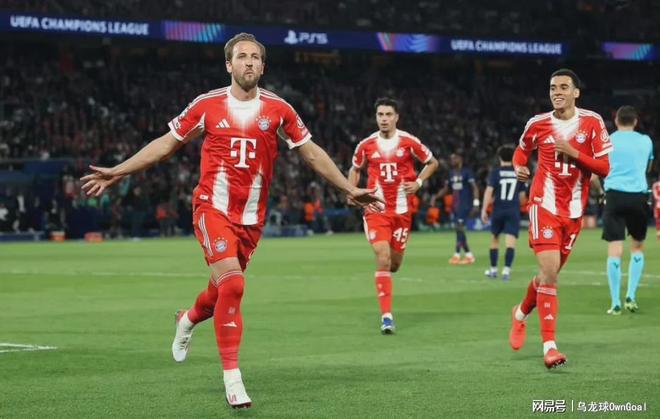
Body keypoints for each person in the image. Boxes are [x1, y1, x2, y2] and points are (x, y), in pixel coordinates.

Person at [81, 32, 382, 409]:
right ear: (229, 64)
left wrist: (347, 188)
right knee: (235, 284)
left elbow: (311, 153)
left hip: (250, 220)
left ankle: (187, 319)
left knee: (219, 291)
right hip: (212, 209)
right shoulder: (207, 104)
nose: (249, 62)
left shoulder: (279, 109)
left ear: (263, 66)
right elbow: (165, 144)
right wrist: (119, 171)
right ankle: (233, 378)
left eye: (255, 57)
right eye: (242, 56)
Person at [507, 69, 612, 369]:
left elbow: (604, 168)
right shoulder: (537, 123)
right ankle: (550, 347)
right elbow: (521, 152)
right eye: (553, 87)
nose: (557, 92)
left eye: (564, 87)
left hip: (574, 212)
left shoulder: (592, 122)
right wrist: (518, 167)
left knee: (547, 275)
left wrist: (573, 152)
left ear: (576, 92)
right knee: (550, 272)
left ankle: (520, 313)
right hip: (543, 205)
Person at [348, 97, 438, 334]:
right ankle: (386, 317)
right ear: (376, 117)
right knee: (383, 256)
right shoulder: (366, 145)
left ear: (396, 117)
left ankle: (386, 284)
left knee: (394, 265)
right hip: (376, 210)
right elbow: (355, 168)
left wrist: (418, 182)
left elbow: (432, 162)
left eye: (388, 114)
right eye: (380, 115)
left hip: (401, 212)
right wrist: (351, 190)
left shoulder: (408, 142)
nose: (384, 119)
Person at [591, 106, 653, 315]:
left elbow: (594, 176)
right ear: (635, 121)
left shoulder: (606, 141)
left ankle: (615, 303)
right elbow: (648, 168)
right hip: (638, 196)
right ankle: (631, 296)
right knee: (637, 247)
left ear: (616, 121)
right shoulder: (646, 141)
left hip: (614, 196)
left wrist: (601, 193)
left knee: (615, 249)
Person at [481, 145, 526, 280]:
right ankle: (506, 271)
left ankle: (493, 270)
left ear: (499, 157)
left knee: (495, 239)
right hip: (513, 210)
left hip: (498, 210)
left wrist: (484, 209)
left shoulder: (495, 173)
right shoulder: (519, 172)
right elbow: (522, 197)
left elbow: (489, 192)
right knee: (510, 242)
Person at [431, 153, 479, 264]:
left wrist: (476, 204)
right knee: (459, 229)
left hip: (465, 204)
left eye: (455, 158)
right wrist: (436, 197)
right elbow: (446, 189)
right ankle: (468, 255)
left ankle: (457, 255)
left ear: (460, 159)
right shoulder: (451, 174)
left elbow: (474, 188)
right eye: (451, 159)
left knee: (459, 228)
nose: (452, 160)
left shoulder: (467, 172)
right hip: (455, 206)